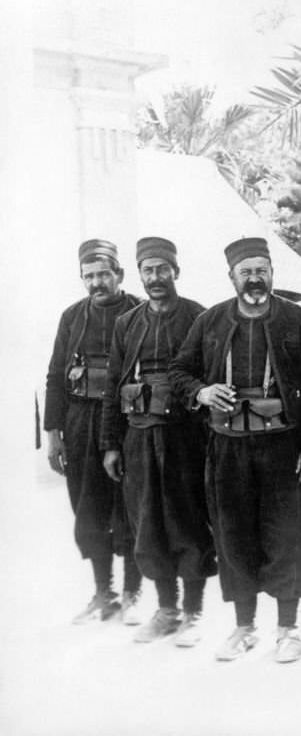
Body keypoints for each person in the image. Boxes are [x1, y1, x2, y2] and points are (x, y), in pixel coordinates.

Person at [169, 237, 301, 663]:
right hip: (228, 450)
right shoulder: (210, 322)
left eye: (262, 270)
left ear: (272, 273)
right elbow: (179, 372)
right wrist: (202, 392)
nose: (255, 278)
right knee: (234, 536)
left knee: (287, 537)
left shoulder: (298, 321)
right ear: (232, 277)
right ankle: (243, 628)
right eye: (246, 272)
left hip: (285, 448)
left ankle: (287, 628)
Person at [100, 237, 215, 647]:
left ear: (176, 272)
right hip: (139, 437)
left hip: (185, 438)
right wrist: (111, 444)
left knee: (186, 520)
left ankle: (194, 612)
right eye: (148, 270)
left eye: (162, 269)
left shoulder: (199, 318)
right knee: (147, 523)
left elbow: (210, 378)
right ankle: (166, 609)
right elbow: (113, 386)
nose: (155, 277)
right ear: (140, 275)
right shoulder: (126, 324)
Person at [44, 239, 144, 625]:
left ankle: (133, 591)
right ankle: (104, 592)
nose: (97, 282)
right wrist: (53, 433)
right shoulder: (72, 316)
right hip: (81, 420)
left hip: (126, 418)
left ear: (119, 274)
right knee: (88, 506)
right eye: (89, 276)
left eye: (104, 274)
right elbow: (55, 376)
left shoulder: (138, 310)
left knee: (130, 503)